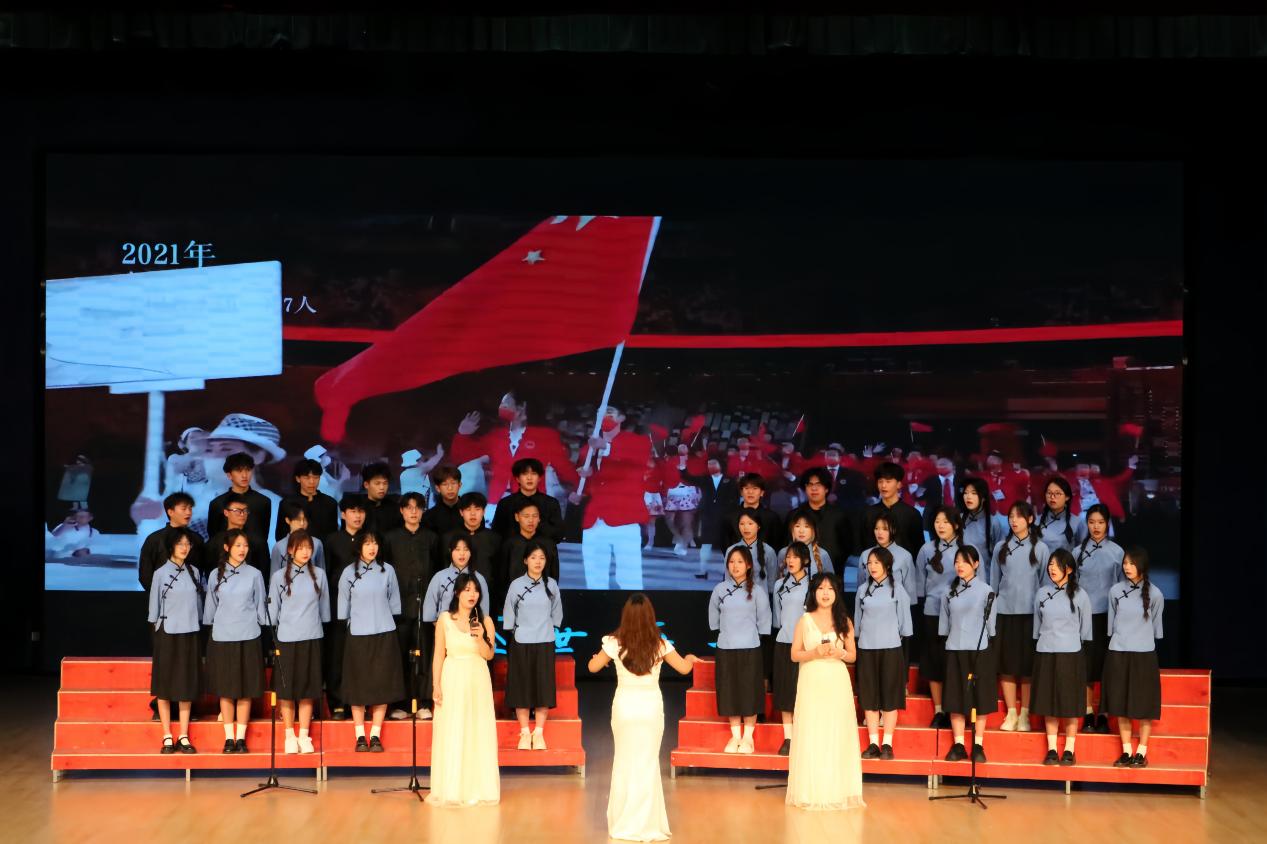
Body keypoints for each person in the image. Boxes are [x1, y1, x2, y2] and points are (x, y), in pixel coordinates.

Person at [589, 594, 699, 841]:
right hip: (650, 709)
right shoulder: (660, 644)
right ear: (651, 617)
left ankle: (623, 823)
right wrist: (690, 659)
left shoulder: (613, 642)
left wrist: (597, 660)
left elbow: (592, 667)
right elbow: (684, 668)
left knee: (624, 761)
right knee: (647, 763)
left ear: (625, 616)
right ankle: (646, 824)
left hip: (624, 708)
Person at [786, 571, 864, 811]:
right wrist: (814, 653)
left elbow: (852, 655)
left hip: (836, 681)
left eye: (830, 588)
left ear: (836, 593)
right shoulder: (805, 620)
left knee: (835, 732)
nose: (825, 593)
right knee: (812, 731)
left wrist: (840, 653)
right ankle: (810, 791)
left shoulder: (844, 621)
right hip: (811, 680)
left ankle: (836, 791)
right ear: (814, 593)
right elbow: (794, 654)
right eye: (821, 588)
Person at [428, 573, 500, 807]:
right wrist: (436, 685)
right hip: (452, 677)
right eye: (467, 589)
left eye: (475, 590)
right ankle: (452, 788)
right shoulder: (445, 619)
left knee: (477, 730)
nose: (472, 594)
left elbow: (489, 655)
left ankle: (478, 787)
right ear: (457, 593)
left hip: (477, 679)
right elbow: (439, 654)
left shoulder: (485, 621)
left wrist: (480, 638)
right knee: (453, 729)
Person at [336, 530, 403, 752]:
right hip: (358, 634)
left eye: (375, 543)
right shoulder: (348, 572)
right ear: (359, 547)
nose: (372, 548)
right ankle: (360, 736)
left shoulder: (387, 570)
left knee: (381, 684)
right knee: (358, 685)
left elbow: (394, 603)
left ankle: (375, 734)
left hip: (384, 632)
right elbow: (343, 607)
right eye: (367, 544)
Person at [204, 528, 268, 754]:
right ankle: (229, 738)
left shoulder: (255, 574)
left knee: (245, 688)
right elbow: (210, 608)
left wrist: (262, 624)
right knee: (226, 688)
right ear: (227, 547)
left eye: (245, 545)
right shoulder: (215, 574)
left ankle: (241, 738)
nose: (242, 550)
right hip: (223, 636)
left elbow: (261, 606)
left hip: (248, 635)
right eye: (238, 545)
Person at [267, 530, 329, 754]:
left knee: (307, 688)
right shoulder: (278, 577)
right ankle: (289, 735)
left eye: (308, 547)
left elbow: (324, 609)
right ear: (290, 550)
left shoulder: (319, 574)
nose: (305, 552)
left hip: (311, 636)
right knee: (287, 690)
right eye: (300, 547)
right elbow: (272, 613)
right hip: (286, 638)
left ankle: (304, 734)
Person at [990, 501, 1050, 732]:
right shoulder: (1000, 547)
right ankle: (1011, 713)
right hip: (1005, 613)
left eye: (1019, 516)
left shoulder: (1040, 548)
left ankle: (1024, 714)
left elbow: (1045, 586)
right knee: (1006, 665)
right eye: (1011, 516)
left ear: (1030, 519)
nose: (1014, 521)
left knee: (1026, 668)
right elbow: (994, 583)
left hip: (1030, 615)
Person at [575, 406, 651, 590]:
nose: (604, 417)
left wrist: (606, 447)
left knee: (630, 580)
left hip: (625, 519)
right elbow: (587, 481)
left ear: (622, 418)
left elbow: (637, 458)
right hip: (595, 520)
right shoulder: (588, 449)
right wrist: (583, 482)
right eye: (600, 413)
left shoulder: (637, 442)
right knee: (595, 580)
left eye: (610, 413)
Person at [1103, 547, 1165, 769]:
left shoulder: (1155, 594)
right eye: (1125, 563)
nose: (1127, 567)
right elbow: (1111, 624)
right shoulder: (1115, 591)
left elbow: (1156, 628)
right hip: (1119, 652)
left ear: (1142, 566)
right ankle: (1127, 751)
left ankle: (1142, 752)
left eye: (1132, 563)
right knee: (1121, 704)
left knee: (1143, 705)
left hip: (1143, 654)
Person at [1031, 548, 1093, 766]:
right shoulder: (1041, 593)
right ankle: (1051, 749)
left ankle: (1069, 749)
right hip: (1045, 652)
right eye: (1050, 565)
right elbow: (1037, 626)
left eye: (1057, 565)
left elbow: (1086, 630)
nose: (1052, 569)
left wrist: (1071, 642)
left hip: (1070, 653)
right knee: (1048, 702)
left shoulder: (1080, 595)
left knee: (1069, 702)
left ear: (1069, 569)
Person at [707, 546, 771, 753]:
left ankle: (748, 738)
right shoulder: (719, 590)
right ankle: (735, 737)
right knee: (730, 691)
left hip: (750, 648)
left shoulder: (757, 591)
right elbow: (714, 619)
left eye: (740, 562)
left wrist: (752, 635)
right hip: (726, 647)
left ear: (749, 565)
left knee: (749, 691)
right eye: (732, 562)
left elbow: (764, 620)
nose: (735, 566)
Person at [383, 491, 440, 720]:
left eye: (418, 507)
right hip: (399, 608)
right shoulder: (390, 538)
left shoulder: (432, 538)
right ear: (401, 511)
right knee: (400, 656)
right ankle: (400, 703)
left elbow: (437, 571)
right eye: (409, 507)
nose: (413, 512)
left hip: (426, 606)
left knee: (424, 654)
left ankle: (424, 702)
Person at [503, 542, 564, 750]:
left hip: (545, 640)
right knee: (522, 688)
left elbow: (556, 611)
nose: (538, 562)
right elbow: (509, 610)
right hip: (521, 641)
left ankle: (538, 733)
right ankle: (524, 733)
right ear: (525, 560)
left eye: (542, 558)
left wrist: (551, 627)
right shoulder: (516, 585)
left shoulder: (551, 584)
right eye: (533, 557)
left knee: (543, 688)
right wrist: (513, 629)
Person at [939, 546, 998, 764]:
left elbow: (991, 626)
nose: (959, 565)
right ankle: (959, 744)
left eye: (964, 561)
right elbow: (944, 624)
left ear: (976, 564)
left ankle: (978, 744)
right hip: (955, 648)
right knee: (955, 697)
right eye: (957, 561)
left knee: (979, 697)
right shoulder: (948, 591)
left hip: (979, 649)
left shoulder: (986, 591)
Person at [147, 528, 201, 755]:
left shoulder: (194, 571)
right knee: (165, 683)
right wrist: (157, 629)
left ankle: (184, 734)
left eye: (187, 544)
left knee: (185, 683)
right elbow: (153, 609)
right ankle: (167, 734)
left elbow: (198, 605)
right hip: (167, 632)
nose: (184, 548)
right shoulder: (160, 573)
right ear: (171, 546)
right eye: (180, 543)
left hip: (190, 632)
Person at [856, 546, 912, 760]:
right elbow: (858, 622)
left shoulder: (898, 590)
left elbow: (905, 625)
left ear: (887, 565)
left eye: (876, 563)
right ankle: (873, 743)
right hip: (866, 648)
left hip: (890, 648)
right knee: (869, 697)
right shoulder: (863, 590)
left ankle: (887, 743)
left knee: (890, 697)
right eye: (869, 563)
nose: (872, 567)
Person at [1074, 503, 1125, 733]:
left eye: (1101, 522)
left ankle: (1103, 715)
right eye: (1092, 522)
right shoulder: (1077, 553)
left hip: (1109, 617)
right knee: (1086, 667)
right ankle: (1087, 713)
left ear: (1107, 524)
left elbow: (1123, 587)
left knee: (1105, 668)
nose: (1096, 527)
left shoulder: (1117, 552)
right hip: (1084, 618)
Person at [915, 505, 965, 728]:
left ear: (956, 524)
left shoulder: (966, 549)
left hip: (959, 615)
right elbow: (919, 584)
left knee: (954, 662)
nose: (941, 526)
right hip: (933, 612)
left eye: (945, 521)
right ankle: (938, 710)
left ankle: (955, 708)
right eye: (937, 522)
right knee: (934, 661)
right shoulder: (926, 549)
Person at [323, 494, 366, 721]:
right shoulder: (332, 540)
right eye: (353, 511)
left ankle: (360, 700)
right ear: (343, 514)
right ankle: (338, 703)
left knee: (361, 655)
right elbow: (326, 574)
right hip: (338, 606)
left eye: (361, 511)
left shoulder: (370, 540)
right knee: (337, 655)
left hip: (366, 608)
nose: (357, 516)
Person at [771, 541, 812, 755]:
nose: (790, 561)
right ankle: (788, 738)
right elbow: (778, 618)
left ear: (805, 560)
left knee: (804, 690)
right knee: (785, 691)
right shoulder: (779, 585)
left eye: (795, 557)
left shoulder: (813, 585)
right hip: (784, 641)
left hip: (806, 646)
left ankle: (804, 736)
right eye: (788, 557)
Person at [207, 451, 279, 545]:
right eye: (239, 470)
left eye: (248, 470)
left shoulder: (263, 501)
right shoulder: (217, 503)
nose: (244, 475)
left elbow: (264, 535)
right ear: (229, 475)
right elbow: (214, 537)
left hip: (257, 552)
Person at [138, 492, 204, 591]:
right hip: (163, 596)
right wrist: (160, 594)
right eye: (184, 509)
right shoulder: (154, 539)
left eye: (190, 508)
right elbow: (145, 574)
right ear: (170, 512)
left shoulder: (197, 539)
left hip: (191, 596)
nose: (188, 512)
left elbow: (201, 570)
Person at [424, 535, 492, 630]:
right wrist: (443, 629)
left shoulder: (479, 579)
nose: (462, 553)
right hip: (444, 630)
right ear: (450, 551)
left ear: (471, 553)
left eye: (466, 549)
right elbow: (430, 609)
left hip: (471, 632)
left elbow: (484, 614)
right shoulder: (439, 577)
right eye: (457, 549)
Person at [489, 457, 565, 542]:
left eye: (534, 474)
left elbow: (558, 535)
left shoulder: (551, 503)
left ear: (539, 478)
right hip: (513, 549)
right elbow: (496, 534)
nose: (529, 478)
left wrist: (537, 523)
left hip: (542, 549)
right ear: (517, 478)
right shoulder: (506, 503)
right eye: (525, 474)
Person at [861, 461, 924, 560]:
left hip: (904, 566)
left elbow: (918, 547)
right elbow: (864, 544)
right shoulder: (869, 513)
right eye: (880, 481)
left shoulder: (912, 514)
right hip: (875, 565)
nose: (883, 486)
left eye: (888, 481)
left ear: (899, 484)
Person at [500, 498, 561, 597]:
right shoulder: (509, 544)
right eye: (526, 516)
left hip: (542, 598)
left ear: (539, 518)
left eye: (535, 516)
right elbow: (502, 577)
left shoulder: (549, 544)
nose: (531, 520)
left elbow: (554, 575)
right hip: (515, 599)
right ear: (517, 517)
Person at [443, 492, 502, 591]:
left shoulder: (494, 538)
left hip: (487, 592)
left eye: (477, 509)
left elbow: (498, 572)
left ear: (483, 512)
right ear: (461, 512)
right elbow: (444, 569)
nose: (473, 513)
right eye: (468, 509)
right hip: (456, 592)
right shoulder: (449, 538)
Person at [692, 457, 738, 579]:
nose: (711, 466)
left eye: (713, 463)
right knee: (705, 544)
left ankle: (727, 572)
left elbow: (735, 497)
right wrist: (682, 465)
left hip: (724, 517)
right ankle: (703, 571)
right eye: (709, 464)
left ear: (720, 465)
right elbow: (688, 477)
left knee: (726, 546)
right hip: (707, 516)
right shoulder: (704, 479)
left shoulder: (730, 480)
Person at [205, 492, 270, 577]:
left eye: (245, 510)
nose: (242, 514)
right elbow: (209, 573)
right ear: (226, 512)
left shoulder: (258, 541)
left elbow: (264, 571)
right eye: (237, 511)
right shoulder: (214, 542)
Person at [958, 477, 1008, 584]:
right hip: (961, 582)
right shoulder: (958, 520)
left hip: (986, 581)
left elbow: (1001, 556)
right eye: (966, 493)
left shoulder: (993, 523)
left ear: (983, 497)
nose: (968, 497)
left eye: (973, 493)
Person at [278, 457, 339, 541]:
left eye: (316, 477)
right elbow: (281, 535)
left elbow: (333, 535)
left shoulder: (330, 503)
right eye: (307, 478)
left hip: (323, 549)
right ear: (298, 479)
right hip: (295, 548)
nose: (312, 482)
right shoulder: (287, 503)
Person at [660, 443, 702, 557]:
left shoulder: (694, 462)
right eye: (680, 447)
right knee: (669, 519)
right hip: (672, 492)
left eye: (685, 447)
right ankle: (679, 539)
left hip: (688, 493)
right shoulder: (671, 461)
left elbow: (698, 477)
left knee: (686, 522)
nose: (682, 448)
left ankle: (683, 545)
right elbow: (664, 477)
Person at [723, 473, 785, 550]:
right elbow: (725, 544)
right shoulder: (730, 517)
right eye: (746, 488)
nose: (750, 492)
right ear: (741, 492)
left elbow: (777, 544)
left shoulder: (772, 517)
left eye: (755, 488)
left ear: (762, 493)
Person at [270, 499, 326, 573]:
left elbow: (321, 573)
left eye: (305, 520)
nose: (302, 523)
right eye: (298, 520)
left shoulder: (317, 543)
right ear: (288, 520)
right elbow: (274, 575)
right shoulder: (279, 546)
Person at [726, 510, 778, 590]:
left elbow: (772, 581)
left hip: (761, 596)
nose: (746, 527)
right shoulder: (731, 550)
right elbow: (728, 579)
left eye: (750, 523)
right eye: (742, 524)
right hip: (736, 595)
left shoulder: (768, 550)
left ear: (758, 526)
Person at [780, 510, 835, 578]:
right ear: (792, 529)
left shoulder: (822, 554)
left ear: (813, 530)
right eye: (797, 526)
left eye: (806, 526)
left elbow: (831, 581)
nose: (801, 531)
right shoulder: (783, 552)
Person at [1037, 476, 1087, 553]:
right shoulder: (1036, 521)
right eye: (1049, 493)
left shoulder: (1077, 522)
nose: (1052, 497)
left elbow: (1082, 553)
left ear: (1067, 497)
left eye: (1057, 493)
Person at [361, 462, 403, 536]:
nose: (382, 487)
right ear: (366, 485)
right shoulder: (358, 508)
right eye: (377, 483)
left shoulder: (394, 508)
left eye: (385, 483)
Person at [422, 465, 465, 537]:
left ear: (459, 485)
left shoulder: (471, 512)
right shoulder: (429, 516)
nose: (450, 488)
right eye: (445, 484)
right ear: (437, 488)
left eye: (453, 483)